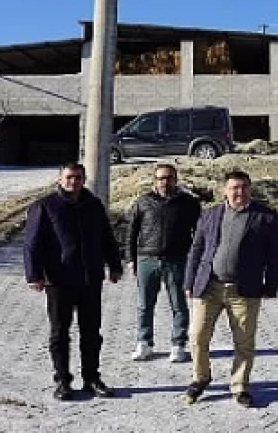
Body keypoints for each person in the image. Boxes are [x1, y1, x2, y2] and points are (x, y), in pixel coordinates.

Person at [182, 170, 278, 408]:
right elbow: (196, 249)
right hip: (209, 286)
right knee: (197, 336)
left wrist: (271, 285)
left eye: (244, 187)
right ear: (224, 190)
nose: (239, 192)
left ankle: (239, 386)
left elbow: (274, 254)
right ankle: (200, 378)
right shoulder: (210, 215)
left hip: (244, 289)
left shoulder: (265, 217)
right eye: (234, 187)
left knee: (244, 342)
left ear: (250, 188)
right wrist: (189, 282)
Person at [23, 163, 123, 401]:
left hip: (90, 279)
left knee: (91, 332)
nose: (73, 182)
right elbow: (31, 243)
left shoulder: (94, 204)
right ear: (60, 179)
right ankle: (63, 381)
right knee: (59, 333)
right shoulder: (45, 206)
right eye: (69, 177)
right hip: (59, 280)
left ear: (84, 179)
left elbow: (106, 238)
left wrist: (115, 265)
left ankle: (91, 378)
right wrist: (33, 275)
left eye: (78, 177)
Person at [125, 163, 202, 363]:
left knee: (178, 304)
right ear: (154, 181)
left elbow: (199, 234)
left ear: (176, 180)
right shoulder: (142, 202)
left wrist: (197, 261)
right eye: (160, 178)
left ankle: (178, 344)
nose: (164, 182)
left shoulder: (188, 203)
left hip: (177, 260)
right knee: (144, 304)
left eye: (168, 178)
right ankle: (144, 343)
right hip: (147, 259)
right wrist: (131, 259)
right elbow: (131, 233)